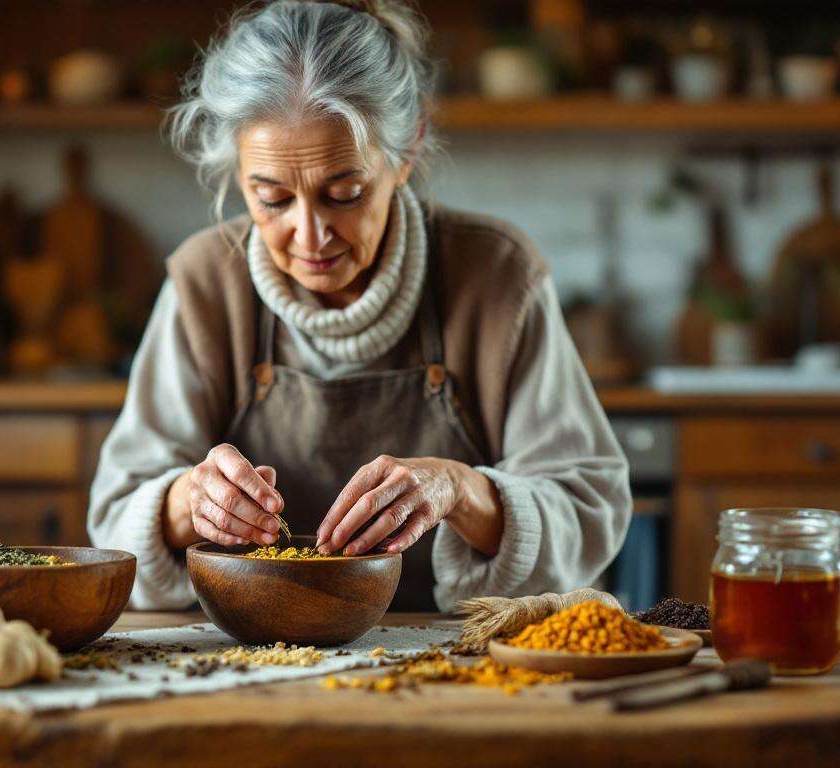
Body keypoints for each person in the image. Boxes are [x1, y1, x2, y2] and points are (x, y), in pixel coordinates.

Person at [88, 0, 630, 611]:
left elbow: (591, 512)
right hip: (251, 662)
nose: (311, 236)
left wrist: (460, 490)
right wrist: (188, 502)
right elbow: (112, 524)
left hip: (464, 663)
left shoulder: (497, 275)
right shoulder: (204, 282)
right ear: (237, 174)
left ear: (407, 152)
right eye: (271, 199)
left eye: (344, 194)